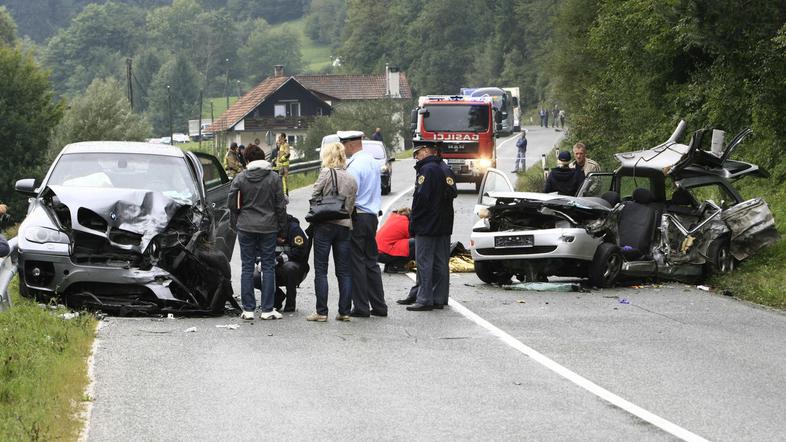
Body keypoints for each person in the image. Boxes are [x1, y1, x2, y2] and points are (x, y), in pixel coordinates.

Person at [227, 144, 287, 321]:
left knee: (247, 266)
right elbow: (280, 206)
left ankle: (248, 310)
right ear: (263, 158)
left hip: (245, 227)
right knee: (268, 266)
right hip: (269, 227)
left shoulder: (240, 178)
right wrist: (282, 229)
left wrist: (235, 224)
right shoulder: (274, 178)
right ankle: (268, 309)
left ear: (246, 160)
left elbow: (232, 204)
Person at [401, 139, 458, 311]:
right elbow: (452, 192)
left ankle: (425, 298)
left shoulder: (427, 169)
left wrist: (413, 221)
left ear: (426, 150)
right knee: (441, 262)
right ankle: (439, 298)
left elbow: (421, 199)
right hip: (444, 222)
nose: (417, 157)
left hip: (427, 224)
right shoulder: (444, 167)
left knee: (424, 261)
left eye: (417, 153)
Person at [307, 142, 357, 322]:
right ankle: (344, 311)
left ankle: (321, 312)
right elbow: (351, 205)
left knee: (321, 269)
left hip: (325, 225)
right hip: (344, 226)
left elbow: (314, 195)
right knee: (344, 271)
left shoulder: (326, 173)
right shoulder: (351, 178)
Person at [341, 130, 387, 317]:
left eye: (344, 144)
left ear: (350, 144)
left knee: (357, 263)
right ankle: (379, 305)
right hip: (371, 215)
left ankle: (361, 306)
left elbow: (351, 193)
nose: (343, 149)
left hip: (357, 215)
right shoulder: (371, 162)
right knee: (371, 262)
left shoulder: (353, 166)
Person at [253, 214, 310, 312]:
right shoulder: (263, 227)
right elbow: (256, 249)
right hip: (270, 266)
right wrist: (260, 261)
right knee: (254, 276)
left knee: (290, 268)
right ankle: (277, 298)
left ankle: (290, 303)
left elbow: (300, 252)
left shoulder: (293, 228)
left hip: (293, 268)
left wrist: (279, 259)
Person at [376, 208, 415, 273]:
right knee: (414, 243)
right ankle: (397, 266)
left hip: (376, 252)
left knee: (400, 242)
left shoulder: (393, 218)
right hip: (384, 253)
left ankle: (390, 265)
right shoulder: (405, 222)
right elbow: (413, 236)